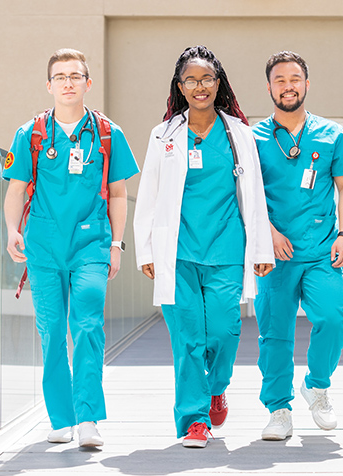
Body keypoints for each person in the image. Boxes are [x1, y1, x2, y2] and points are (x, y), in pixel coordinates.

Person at [133, 45, 274, 449]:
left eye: (207, 79)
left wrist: (261, 249)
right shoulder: (164, 135)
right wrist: (146, 252)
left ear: (218, 83)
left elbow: (254, 195)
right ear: (180, 86)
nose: (200, 86)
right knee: (189, 338)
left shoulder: (238, 133)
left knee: (226, 332)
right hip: (176, 253)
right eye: (191, 80)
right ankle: (194, 419)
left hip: (227, 250)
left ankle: (216, 387)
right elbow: (149, 194)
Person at [3, 48, 138, 448]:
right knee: (50, 332)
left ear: (87, 83)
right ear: (49, 85)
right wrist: (12, 229)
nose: (67, 83)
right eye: (60, 76)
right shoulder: (30, 134)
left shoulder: (108, 134)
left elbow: (117, 193)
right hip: (42, 246)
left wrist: (116, 243)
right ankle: (61, 419)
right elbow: (15, 189)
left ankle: (89, 418)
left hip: (91, 244)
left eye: (75, 76)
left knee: (88, 326)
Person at [252, 51, 343, 440]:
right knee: (275, 334)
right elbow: (244, 195)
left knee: (334, 320)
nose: (288, 86)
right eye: (280, 80)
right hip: (274, 255)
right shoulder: (253, 139)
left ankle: (317, 385)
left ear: (307, 84)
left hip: (320, 251)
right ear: (269, 87)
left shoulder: (332, 135)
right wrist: (266, 231)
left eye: (295, 79)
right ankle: (279, 409)